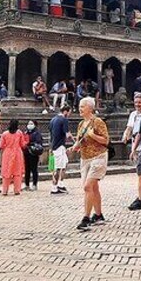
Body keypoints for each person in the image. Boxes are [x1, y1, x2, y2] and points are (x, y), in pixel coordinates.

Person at [72, 97, 110, 230]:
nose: (80, 109)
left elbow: (105, 141)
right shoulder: (81, 124)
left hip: (98, 157)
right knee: (93, 188)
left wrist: (93, 136)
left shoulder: (98, 122)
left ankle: (86, 218)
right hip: (85, 158)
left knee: (88, 187)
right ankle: (98, 215)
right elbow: (80, 141)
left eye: (82, 106)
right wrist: (74, 147)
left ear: (90, 108)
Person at [0, 119, 28, 196]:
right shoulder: (19, 133)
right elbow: (22, 144)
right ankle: (17, 190)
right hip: (17, 152)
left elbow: (1, 145)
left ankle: (5, 190)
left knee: (6, 172)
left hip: (7, 153)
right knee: (17, 172)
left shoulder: (4, 134)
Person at [49, 105, 72, 195]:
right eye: (69, 112)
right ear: (65, 111)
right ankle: (55, 187)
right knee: (59, 167)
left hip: (54, 145)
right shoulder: (64, 120)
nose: (69, 114)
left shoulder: (53, 120)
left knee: (63, 164)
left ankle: (60, 184)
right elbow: (67, 134)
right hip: (60, 146)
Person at [24, 120, 43, 191]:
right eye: (28, 123)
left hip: (33, 153)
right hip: (26, 153)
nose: (29, 125)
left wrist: (30, 143)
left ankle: (34, 184)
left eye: (31, 123)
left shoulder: (37, 133)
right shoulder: (26, 133)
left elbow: (38, 142)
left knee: (34, 169)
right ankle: (27, 184)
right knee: (27, 169)